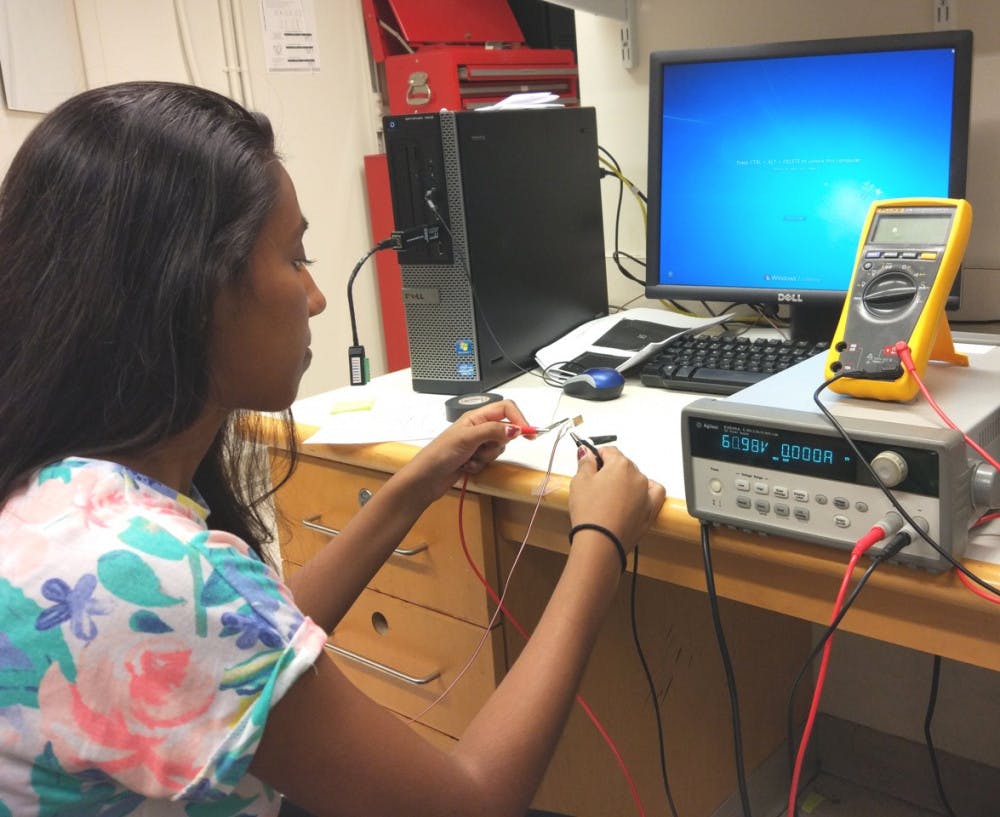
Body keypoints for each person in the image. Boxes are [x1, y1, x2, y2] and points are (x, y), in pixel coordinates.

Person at [0, 81, 665, 817]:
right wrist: (601, 538)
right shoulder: (164, 575)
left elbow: (249, 642)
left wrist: (419, 479)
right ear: (190, 290)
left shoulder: (61, 503)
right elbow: (472, 805)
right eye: (296, 258)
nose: (315, 297)